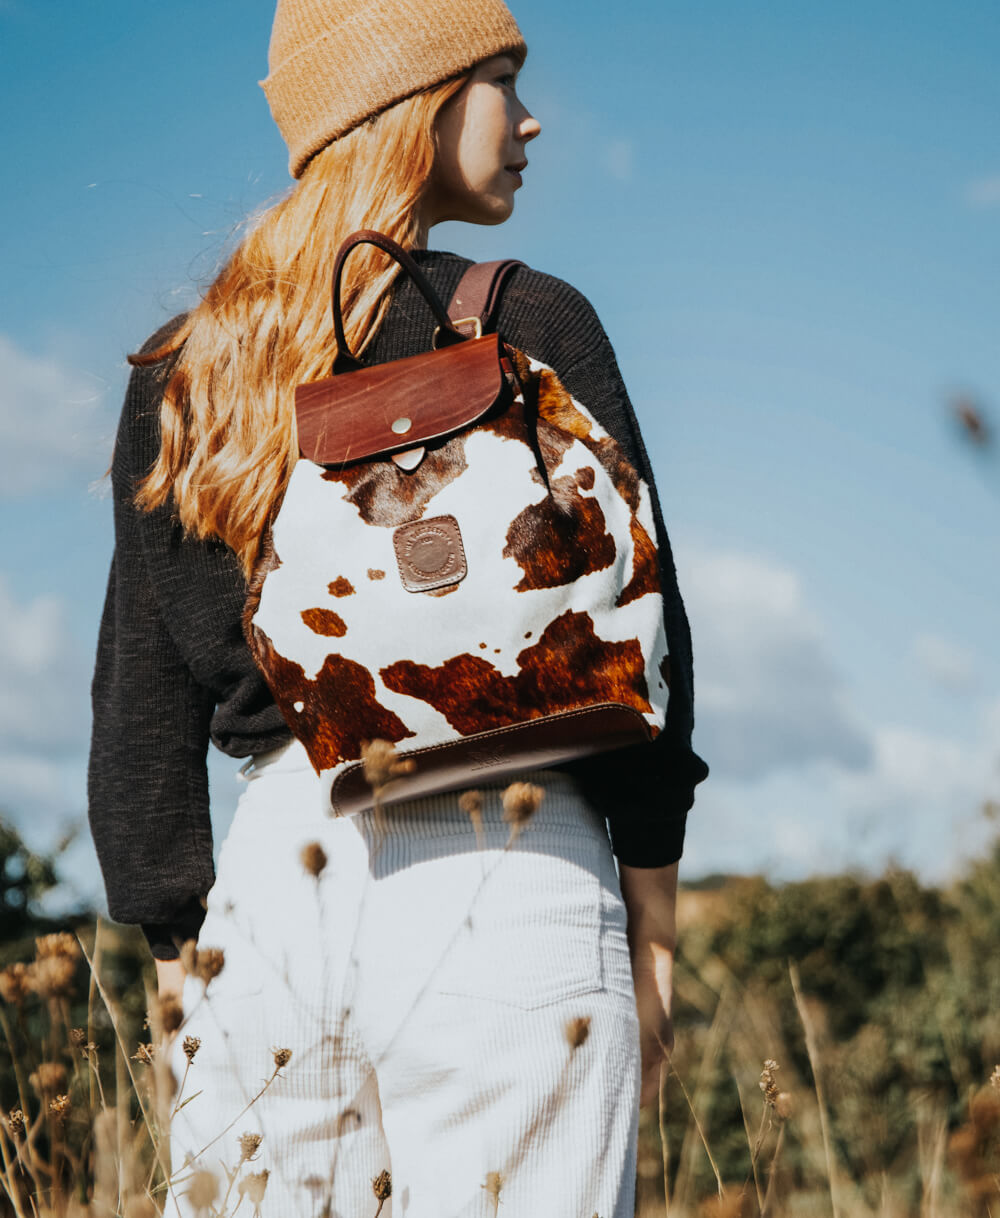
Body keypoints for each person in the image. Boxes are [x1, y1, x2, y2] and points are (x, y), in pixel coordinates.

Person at [88, 0, 710, 1213]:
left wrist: (181, 960)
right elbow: (646, 624)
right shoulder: (524, 322)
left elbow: (139, 695)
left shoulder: (183, 370)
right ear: (408, 102)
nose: (531, 118)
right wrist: (654, 915)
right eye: (499, 77)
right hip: (509, 847)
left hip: (270, 900)